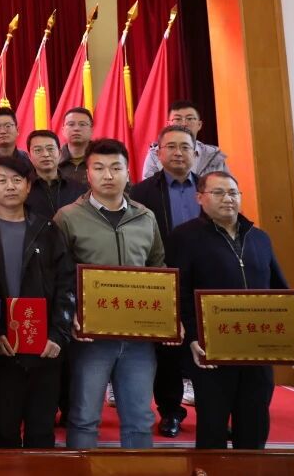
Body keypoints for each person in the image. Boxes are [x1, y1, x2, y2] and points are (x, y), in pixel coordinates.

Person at [172, 171, 294, 449]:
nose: (228, 198)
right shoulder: (184, 237)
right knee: (212, 426)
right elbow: (180, 293)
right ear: (200, 198)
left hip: (258, 349)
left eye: (233, 193)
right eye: (218, 192)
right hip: (211, 350)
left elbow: (280, 293)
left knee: (254, 424)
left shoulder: (259, 238)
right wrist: (193, 338)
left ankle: (251, 467)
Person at [53, 138, 166, 449]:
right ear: (87, 174)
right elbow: (58, 276)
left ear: (128, 173)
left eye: (116, 168)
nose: (108, 175)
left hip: (138, 337)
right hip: (90, 337)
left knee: (140, 419)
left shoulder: (145, 216)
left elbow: (158, 268)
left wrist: (165, 317)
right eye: (99, 168)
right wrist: (70, 314)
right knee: (84, 417)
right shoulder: (67, 217)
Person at [0, 157, 74, 448]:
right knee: (6, 428)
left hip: (45, 345)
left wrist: (58, 334)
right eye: (2, 180)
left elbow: (66, 284)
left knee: (41, 430)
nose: (10, 186)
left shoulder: (48, 230)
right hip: (2, 346)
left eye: (16, 180)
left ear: (28, 186)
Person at [130, 124, 204, 437]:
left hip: (205, 280)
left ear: (195, 153)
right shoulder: (141, 192)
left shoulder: (210, 187)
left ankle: (212, 412)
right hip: (162, 278)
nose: (177, 153)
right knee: (168, 351)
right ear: (158, 153)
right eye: (170, 146)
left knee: (207, 348)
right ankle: (170, 411)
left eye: (185, 147)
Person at [142, 101, 229, 180]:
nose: (184, 124)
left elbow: (227, 187)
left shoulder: (213, 155)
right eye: (177, 119)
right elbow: (148, 188)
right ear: (168, 125)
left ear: (199, 124)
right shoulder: (156, 155)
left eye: (190, 119)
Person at [26, 129, 86, 221]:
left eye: (50, 149)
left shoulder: (78, 189)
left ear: (60, 153)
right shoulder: (22, 190)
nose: (46, 154)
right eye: (38, 150)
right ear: (29, 156)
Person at [58, 107, 93, 185]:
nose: (76, 129)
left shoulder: (103, 159)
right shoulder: (53, 161)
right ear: (63, 130)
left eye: (82, 124)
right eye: (71, 124)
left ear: (91, 130)